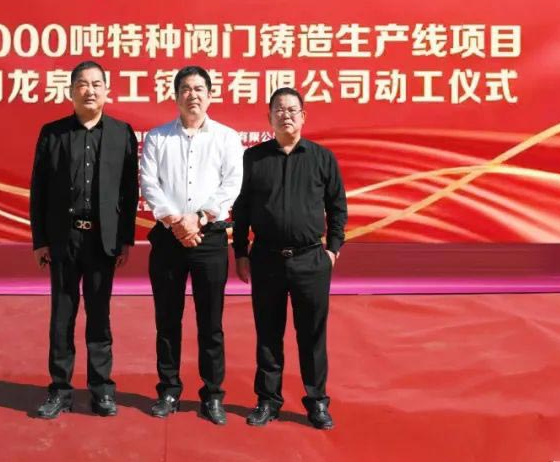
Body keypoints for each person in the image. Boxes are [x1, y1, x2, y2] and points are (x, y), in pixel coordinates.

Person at [232, 87, 348, 430]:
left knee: (312, 335)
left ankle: (317, 401)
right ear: (269, 117)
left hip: (311, 260)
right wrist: (240, 252)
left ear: (303, 116)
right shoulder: (253, 159)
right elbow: (242, 209)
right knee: (268, 334)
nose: (286, 115)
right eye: (279, 110)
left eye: (292, 109)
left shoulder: (322, 158)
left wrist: (332, 249)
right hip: (265, 258)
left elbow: (337, 207)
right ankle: (268, 400)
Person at [29, 60, 139, 419]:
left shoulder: (122, 133)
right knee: (62, 316)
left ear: (107, 91)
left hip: (102, 241)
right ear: (71, 91)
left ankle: (102, 389)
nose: (89, 91)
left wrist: (125, 240)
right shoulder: (53, 134)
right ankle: (60, 390)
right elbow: (39, 190)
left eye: (96, 84)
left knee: (99, 316)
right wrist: (40, 240)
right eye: (82, 84)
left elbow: (129, 192)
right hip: (64, 238)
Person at [140, 65, 243, 425]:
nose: (192, 95)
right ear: (176, 96)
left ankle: (212, 394)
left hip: (209, 238)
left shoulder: (227, 138)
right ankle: (168, 390)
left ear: (210, 95)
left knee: (210, 322)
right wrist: (175, 221)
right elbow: (149, 184)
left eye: (199, 89)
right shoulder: (157, 138)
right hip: (168, 238)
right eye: (186, 89)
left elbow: (231, 184)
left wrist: (198, 218)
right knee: (167, 319)